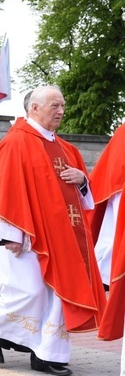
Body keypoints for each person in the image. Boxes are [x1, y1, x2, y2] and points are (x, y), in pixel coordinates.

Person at [0, 86, 106, 376]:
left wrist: (82, 180)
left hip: (61, 237)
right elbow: (4, 190)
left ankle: (47, 355)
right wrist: (10, 235)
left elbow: (85, 195)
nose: (60, 110)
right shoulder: (16, 143)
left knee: (56, 296)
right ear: (34, 108)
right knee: (28, 291)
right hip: (25, 237)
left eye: (62, 104)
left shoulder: (64, 147)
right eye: (54, 105)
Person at [88, 122, 125, 292]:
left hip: (117, 189)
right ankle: (101, 277)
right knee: (112, 235)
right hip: (119, 191)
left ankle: (101, 277)